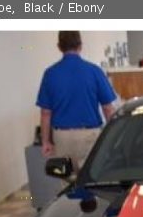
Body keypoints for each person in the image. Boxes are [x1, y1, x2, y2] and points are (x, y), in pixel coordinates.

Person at [36, 31, 117, 170]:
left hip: (62, 137)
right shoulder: (94, 71)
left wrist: (45, 142)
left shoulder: (50, 74)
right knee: (91, 179)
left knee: (65, 180)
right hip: (89, 135)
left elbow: (45, 113)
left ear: (59, 47)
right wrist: (115, 137)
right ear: (80, 46)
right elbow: (108, 108)